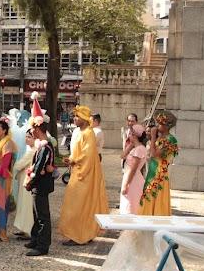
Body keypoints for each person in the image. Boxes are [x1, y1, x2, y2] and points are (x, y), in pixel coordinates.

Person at [58, 105, 108, 246]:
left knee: (79, 205)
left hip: (84, 174)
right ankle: (82, 233)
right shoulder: (79, 132)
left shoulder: (88, 133)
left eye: (77, 116)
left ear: (85, 119)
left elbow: (88, 155)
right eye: (74, 116)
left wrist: (74, 160)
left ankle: (79, 235)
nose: (75, 118)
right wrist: (71, 159)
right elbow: (78, 151)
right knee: (77, 204)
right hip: (77, 170)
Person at [24, 108, 55, 256]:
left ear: (37, 128)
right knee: (36, 214)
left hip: (41, 185)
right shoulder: (42, 145)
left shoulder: (45, 147)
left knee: (42, 216)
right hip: (39, 185)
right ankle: (35, 239)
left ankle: (43, 246)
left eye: (32, 128)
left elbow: (39, 167)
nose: (31, 131)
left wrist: (29, 182)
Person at [140, 111, 179, 216]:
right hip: (153, 169)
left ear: (166, 126)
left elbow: (154, 154)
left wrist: (153, 137)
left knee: (153, 193)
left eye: (159, 124)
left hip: (159, 172)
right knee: (148, 193)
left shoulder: (170, 139)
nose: (157, 126)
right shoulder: (161, 138)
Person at [11, 130, 37, 237]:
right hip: (24, 179)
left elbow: (19, 165)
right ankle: (23, 228)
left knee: (26, 205)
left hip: (27, 180)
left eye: (29, 137)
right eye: (26, 136)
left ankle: (28, 230)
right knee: (23, 204)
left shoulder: (33, 150)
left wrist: (12, 164)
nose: (26, 139)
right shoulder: (30, 149)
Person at [119, 124, 147, 215]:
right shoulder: (136, 148)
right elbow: (122, 156)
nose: (128, 136)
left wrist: (126, 185)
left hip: (133, 179)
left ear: (135, 135)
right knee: (128, 202)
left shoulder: (139, 150)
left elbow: (133, 169)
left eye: (130, 134)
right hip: (130, 176)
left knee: (131, 204)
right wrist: (131, 145)